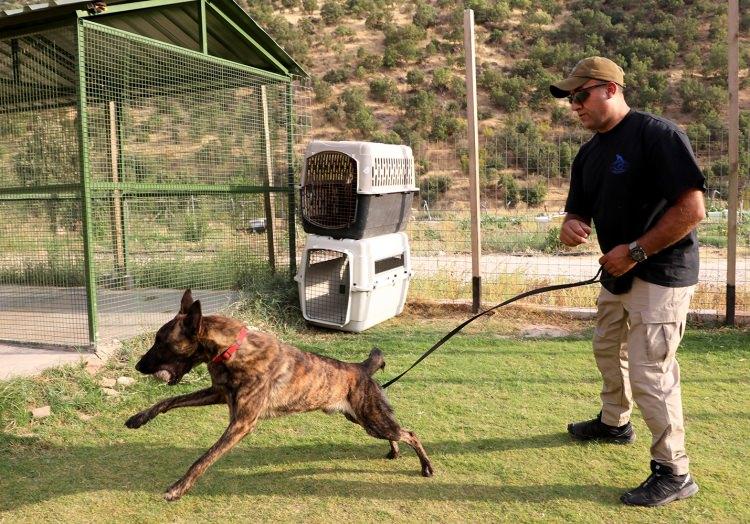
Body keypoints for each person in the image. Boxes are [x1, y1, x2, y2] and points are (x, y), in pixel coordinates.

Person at [549, 56, 706, 507]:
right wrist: (570, 225)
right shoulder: (589, 153)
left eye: (581, 95)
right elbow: (577, 209)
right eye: (571, 99)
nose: (574, 106)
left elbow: (692, 210)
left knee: (650, 372)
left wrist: (635, 251)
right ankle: (614, 422)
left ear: (611, 89)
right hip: (617, 273)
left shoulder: (658, 136)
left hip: (661, 273)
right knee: (606, 348)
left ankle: (674, 471)